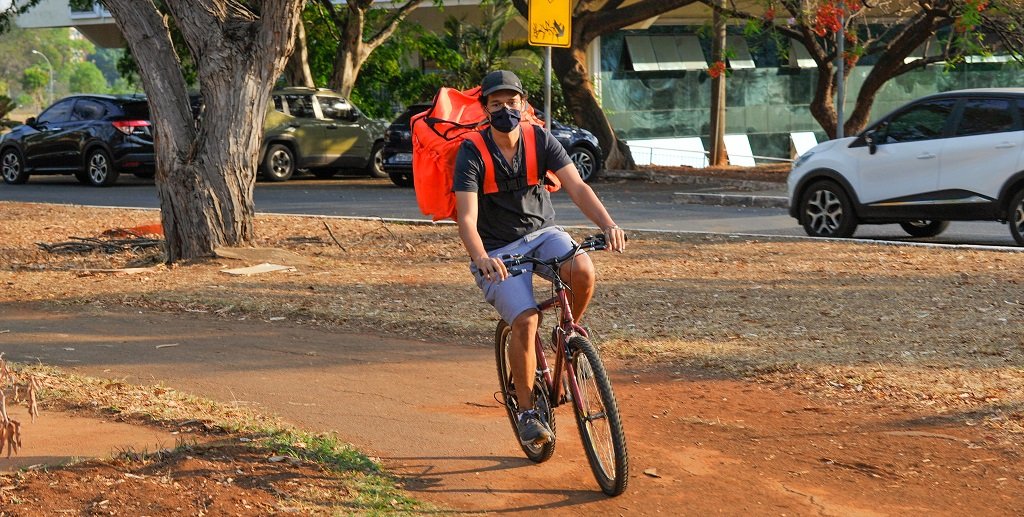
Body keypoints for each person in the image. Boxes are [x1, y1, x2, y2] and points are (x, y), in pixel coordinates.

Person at [453, 70, 626, 446]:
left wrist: (608, 224)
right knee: (527, 319)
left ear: (523, 104)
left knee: (582, 269)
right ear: (485, 108)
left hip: (544, 234)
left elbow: (577, 187)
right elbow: (466, 217)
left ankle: (567, 334)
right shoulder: (472, 151)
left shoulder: (539, 139)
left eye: (511, 102)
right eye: (496, 104)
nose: (505, 110)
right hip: (497, 250)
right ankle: (528, 410)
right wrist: (480, 257)